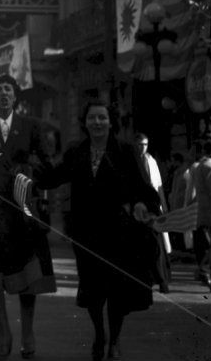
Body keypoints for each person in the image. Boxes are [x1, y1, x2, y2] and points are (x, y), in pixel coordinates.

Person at [35, 99, 160, 360]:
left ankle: (113, 340)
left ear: (111, 122)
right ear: (85, 122)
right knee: (92, 290)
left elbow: (143, 187)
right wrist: (29, 167)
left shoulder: (125, 151)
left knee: (116, 290)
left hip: (118, 233)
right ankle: (99, 334)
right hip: (85, 233)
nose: (97, 122)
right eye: (92, 118)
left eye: (102, 118)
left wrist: (140, 204)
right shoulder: (76, 151)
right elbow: (53, 178)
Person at [0, 74, 55, 360]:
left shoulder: (31, 126)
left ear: (16, 96)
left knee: (27, 273)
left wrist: (27, 166)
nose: (4, 93)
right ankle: (3, 333)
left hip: (22, 209)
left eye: (8, 89)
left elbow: (47, 166)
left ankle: (27, 332)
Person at [134, 133, 171, 293]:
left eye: (145, 144)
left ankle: (162, 280)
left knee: (156, 246)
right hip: (137, 210)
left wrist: (163, 208)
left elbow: (158, 187)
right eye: (140, 144)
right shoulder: (132, 161)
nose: (143, 147)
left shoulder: (151, 161)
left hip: (153, 210)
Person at [190, 139, 211, 291]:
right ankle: (204, 271)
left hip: (203, 212)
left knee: (208, 245)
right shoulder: (210, 167)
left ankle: (204, 270)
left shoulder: (198, 166)